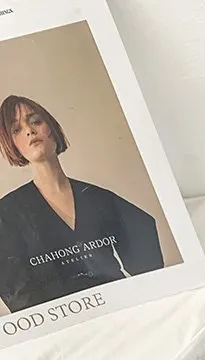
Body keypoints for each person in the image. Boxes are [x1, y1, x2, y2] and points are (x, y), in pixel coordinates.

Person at [0, 95, 164, 313]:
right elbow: (17, 294)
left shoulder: (98, 198)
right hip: (63, 324)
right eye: (17, 129)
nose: (29, 130)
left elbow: (145, 245)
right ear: (12, 145)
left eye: (36, 121)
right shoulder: (6, 214)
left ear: (51, 129)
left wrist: (146, 295)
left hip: (120, 310)